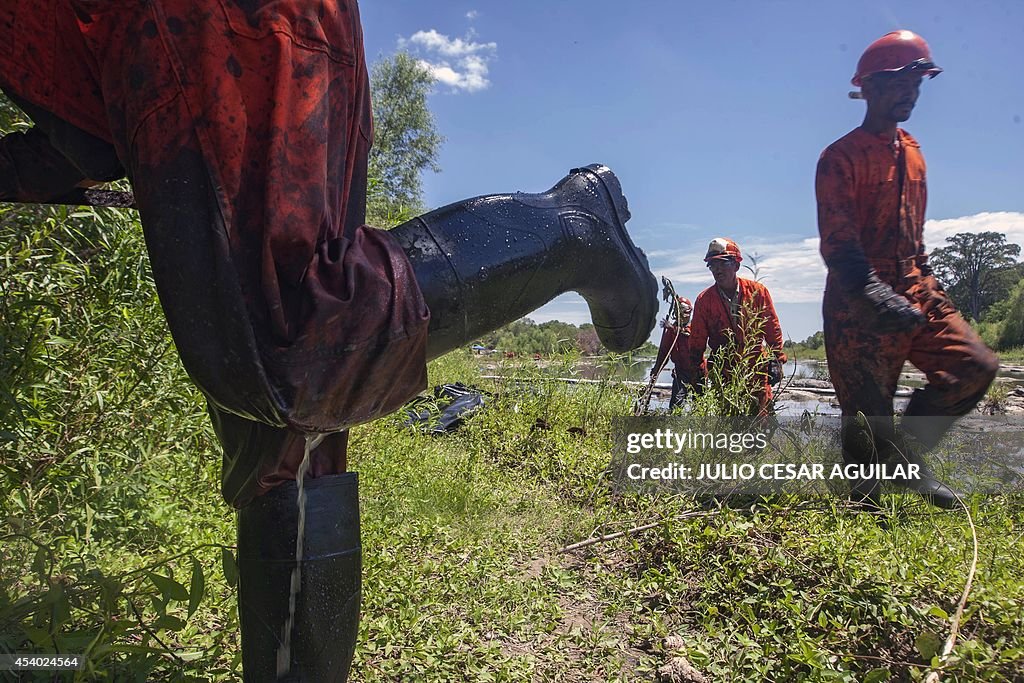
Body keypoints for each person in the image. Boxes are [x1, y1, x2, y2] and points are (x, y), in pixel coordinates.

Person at [0, 2, 658, 679]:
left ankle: (571, 226)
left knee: (287, 337)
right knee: (279, 435)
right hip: (181, 46)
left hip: (212, 25)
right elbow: (88, 139)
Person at [815, 30, 998, 511]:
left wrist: (922, 289)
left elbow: (913, 238)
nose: (911, 92)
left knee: (973, 368)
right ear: (869, 87)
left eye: (918, 82)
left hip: (916, 282)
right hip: (858, 297)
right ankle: (864, 506)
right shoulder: (840, 157)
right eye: (900, 82)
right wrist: (873, 294)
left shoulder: (913, 151)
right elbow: (838, 243)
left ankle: (905, 459)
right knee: (867, 412)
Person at [688, 238, 786, 415]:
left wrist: (777, 360)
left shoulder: (758, 292)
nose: (717, 269)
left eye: (722, 263)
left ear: (736, 265)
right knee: (728, 425)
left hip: (756, 370)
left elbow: (772, 328)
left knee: (761, 425)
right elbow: (697, 341)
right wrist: (697, 373)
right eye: (712, 265)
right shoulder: (704, 301)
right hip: (723, 373)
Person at [650, 296, 699, 410]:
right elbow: (664, 352)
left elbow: (691, 337)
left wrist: (673, 328)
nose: (684, 314)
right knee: (676, 405)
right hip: (681, 373)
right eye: (680, 311)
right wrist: (656, 370)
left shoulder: (696, 325)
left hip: (698, 372)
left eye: (686, 311)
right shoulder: (671, 332)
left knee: (699, 406)